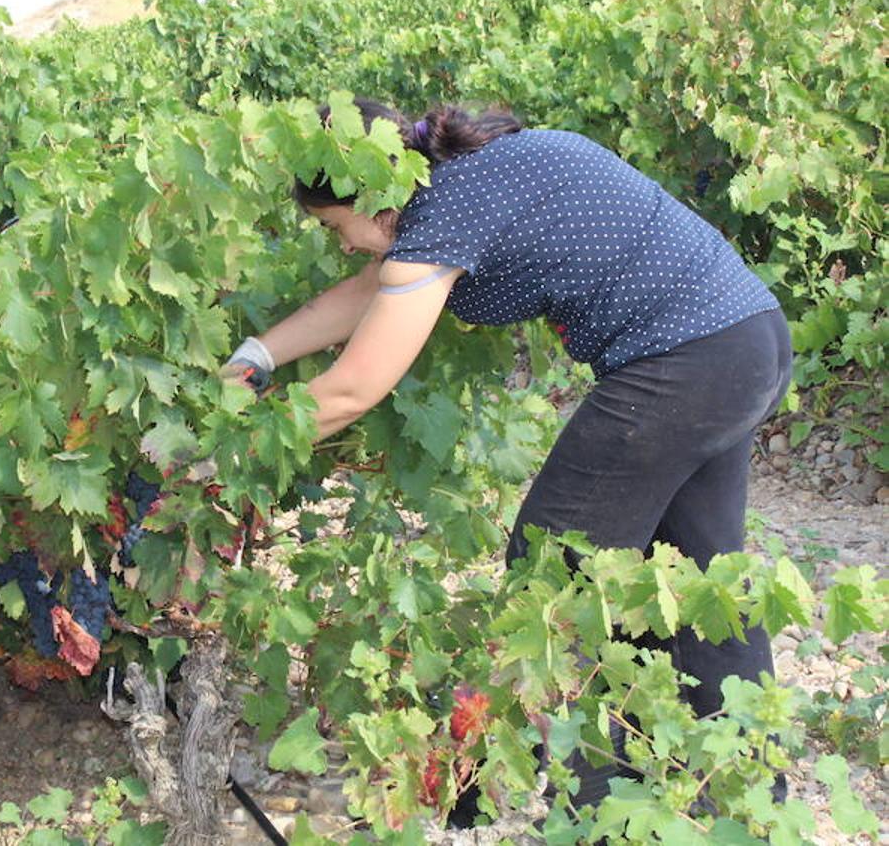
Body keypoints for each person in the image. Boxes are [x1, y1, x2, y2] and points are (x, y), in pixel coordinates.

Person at [222, 97, 792, 803]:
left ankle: (592, 803)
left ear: (373, 198)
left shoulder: (444, 210)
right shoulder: (460, 179)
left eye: (337, 227)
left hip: (681, 361)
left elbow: (351, 390)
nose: (343, 245)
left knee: (553, 566)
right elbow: (371, 289)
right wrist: (257, 357)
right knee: (694, 578)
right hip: (745, 335)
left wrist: (232, 449)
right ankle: (743, 794)